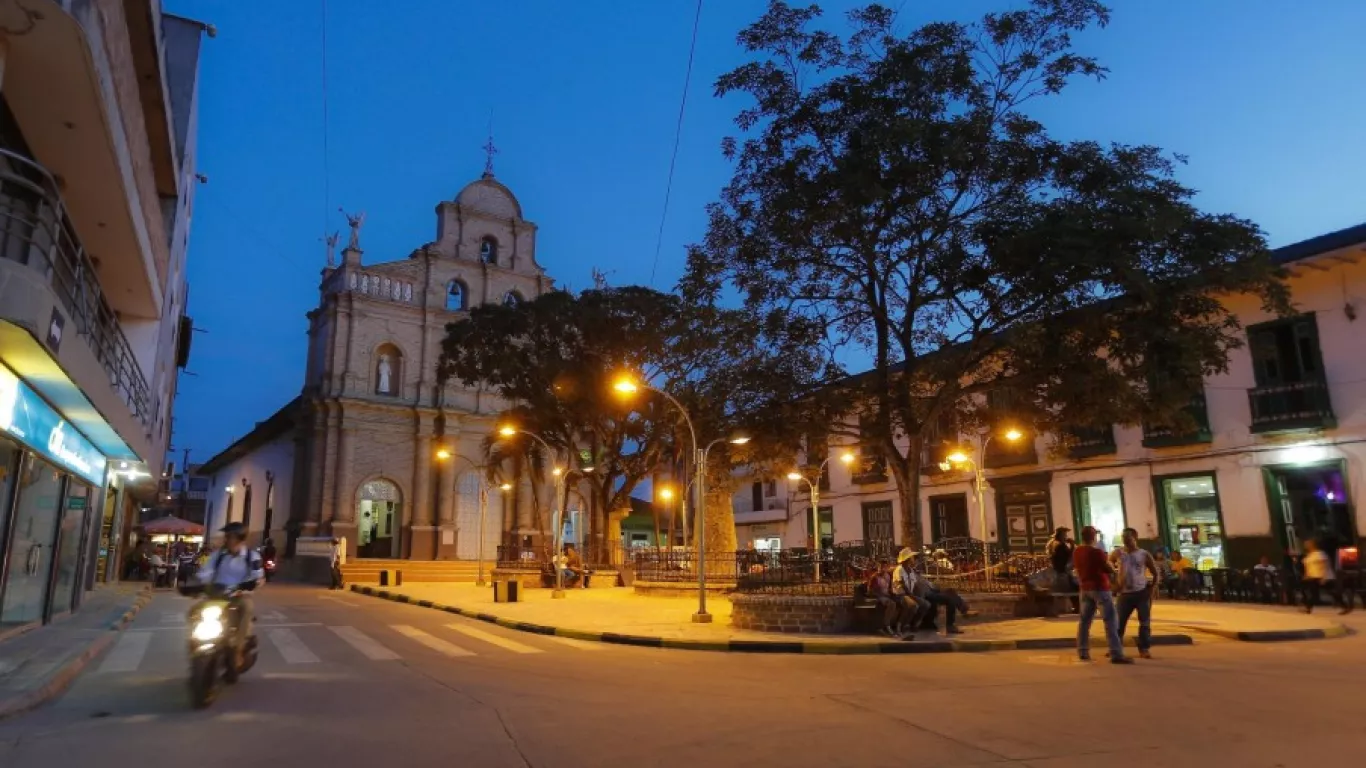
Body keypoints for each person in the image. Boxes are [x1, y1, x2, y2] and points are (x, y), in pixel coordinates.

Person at [195, 523, 264, 659]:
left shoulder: (252, 556)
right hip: (217, 594)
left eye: (229, 536)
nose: (226, 539)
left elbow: (258, 576)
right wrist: (201, 583)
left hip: (239, 594)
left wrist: (251, 585)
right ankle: (194, 642)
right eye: (226, 536)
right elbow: (206, 571)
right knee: (194, 612)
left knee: (247, 608)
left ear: (240, 538)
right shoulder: (217, 555)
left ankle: (238, 649)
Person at [1074, 526, 1130, 664]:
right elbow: (1107, 568)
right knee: (1110, 620)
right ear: (1093, 537)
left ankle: (1083, 651)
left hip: (1085, 588)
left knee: (1084, 622)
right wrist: (1115, 572)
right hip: (1100, 588)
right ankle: (1116, 653)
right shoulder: (1096, 552)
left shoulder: (1077, 551)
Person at [1112, 528, 1159, 659]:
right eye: (1123, 537)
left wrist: (1152, 589)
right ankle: (1116, 648)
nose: (1125, 540)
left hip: (1141, 593)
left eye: (1128, 537)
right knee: (1118, 623)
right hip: (1124, 594)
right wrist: (1114, 583)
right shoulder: (1118, 553)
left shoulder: (1144, 554)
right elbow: (1108, 565)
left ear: (1135, 537)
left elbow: (1155, 572)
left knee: (1144, 623)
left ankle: (1144, 648)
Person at [1301, 540, 1350, 615]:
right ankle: (1308, 608)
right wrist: (1306, 575)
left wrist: (1324, 577)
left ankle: (1344, 606)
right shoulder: (1309, 555)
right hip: (1313, 577)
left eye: (1307, 544)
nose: (1306, 546)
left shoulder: (1320, 554)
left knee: (1331, 592)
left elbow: (1325, 565)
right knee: (1313, 593)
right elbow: (1309, 566)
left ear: (1313, 545)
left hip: (1321, 577)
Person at [892, 548, 930, 639]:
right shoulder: (899, 570)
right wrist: (911, 595)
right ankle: (900, 626)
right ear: (907, 559)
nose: (913, 559)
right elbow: (902, 584)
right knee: (913, 605)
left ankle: (914, 624)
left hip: (909, 594)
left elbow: (915, 583)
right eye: (911, 557)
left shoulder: (910, 570)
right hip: (900, 595)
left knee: (926, 604)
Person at [866, 559, 899, 637]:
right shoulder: (875, 577)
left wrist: (892, 592)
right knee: (892, 604)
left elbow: (890, 588)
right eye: (881, 567)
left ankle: (898, 626)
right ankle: (887, 625)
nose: (882, 569)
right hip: (878, 597)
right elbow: (870, 591)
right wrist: (880, 594)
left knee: (900, 601)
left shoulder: (888, 576)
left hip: (887, 596)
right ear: (878, 567)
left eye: (884, 567)